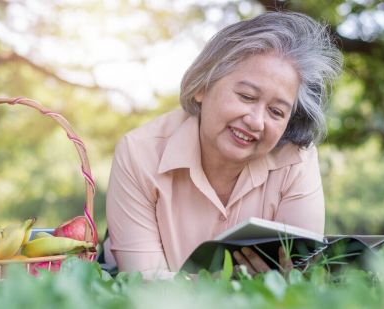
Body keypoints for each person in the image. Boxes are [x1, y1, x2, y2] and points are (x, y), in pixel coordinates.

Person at [105, 11, 343, 279]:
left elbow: (303, 277)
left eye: (276, 112)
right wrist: (223, 282)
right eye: (246, 96)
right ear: (202, 87)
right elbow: (141, 281)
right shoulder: (140, 153)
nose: (256, 121)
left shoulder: (297, 160)